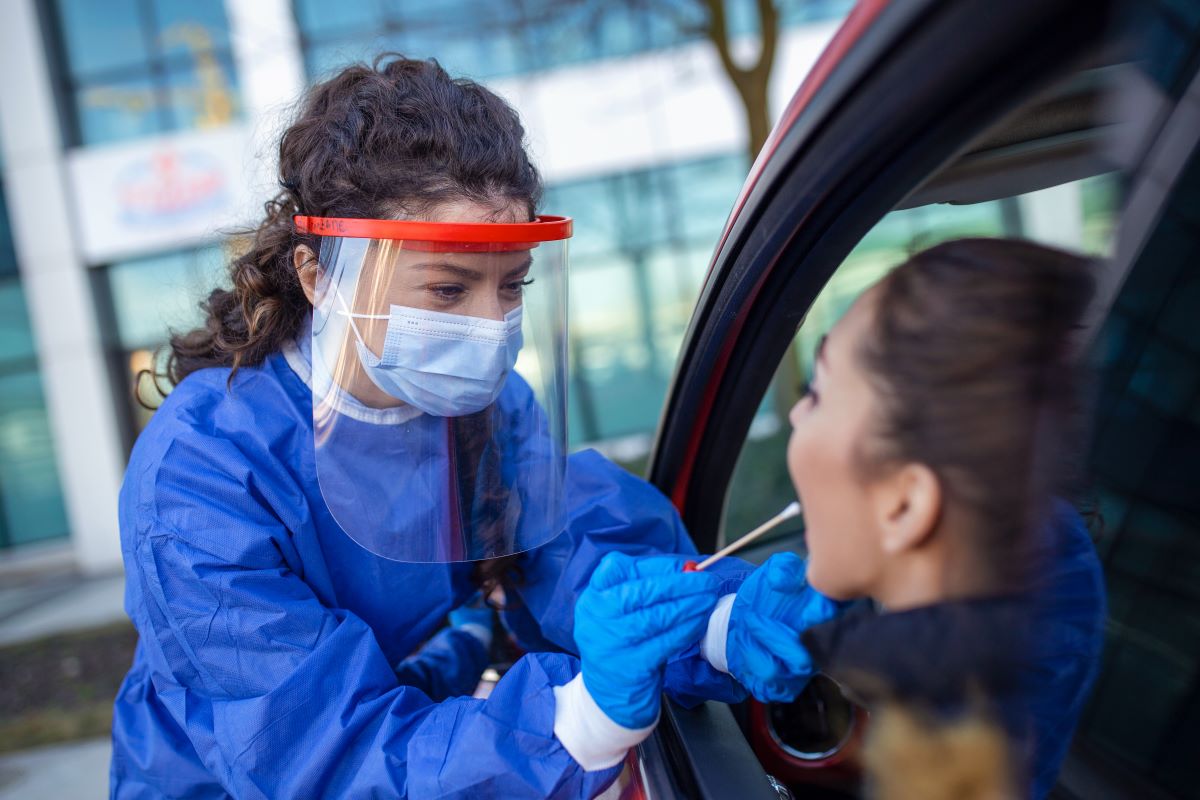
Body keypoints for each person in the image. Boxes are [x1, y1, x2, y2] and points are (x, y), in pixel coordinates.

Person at [109, 55, 838, 799]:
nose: (492, 328)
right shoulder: (201, 477)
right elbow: (315, 749)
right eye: (449, 288)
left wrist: (709, 623)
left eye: (512, 285)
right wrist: (576, 721)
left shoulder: (483, 412)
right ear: (319, 274)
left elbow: (573, 558)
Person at [764, 239, 1106, 797]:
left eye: (817, 392)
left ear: (905, 503)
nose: (798, 415)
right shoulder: (1042, 563)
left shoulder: (951, 744)